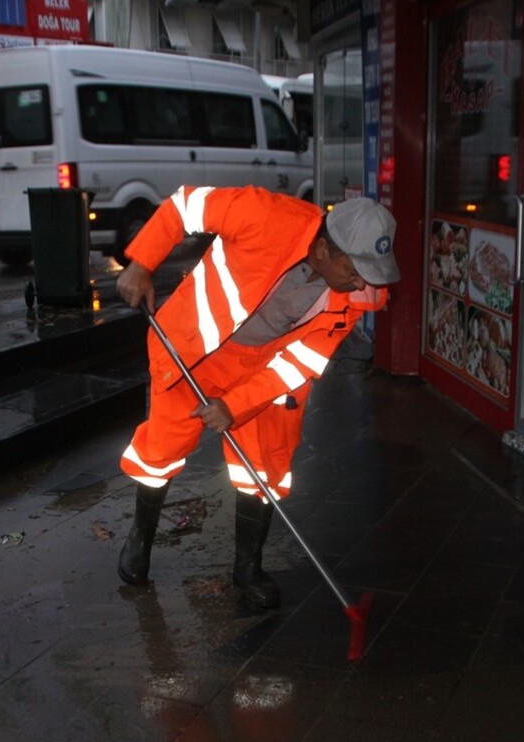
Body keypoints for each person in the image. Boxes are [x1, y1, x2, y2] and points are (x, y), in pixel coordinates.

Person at [115, 186, 398, 608]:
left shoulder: (359, 293)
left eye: (371, 272)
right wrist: (141, 264)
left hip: (266, 369)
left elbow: (300, 361)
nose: (361, 283)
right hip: (196, 349)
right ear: (323, 248)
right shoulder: (264, 213)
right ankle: (141, 536)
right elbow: (183, 206)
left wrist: (235, 406)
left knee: (266, 466)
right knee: (163, 448)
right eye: (354, 270)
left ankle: (248, 568)